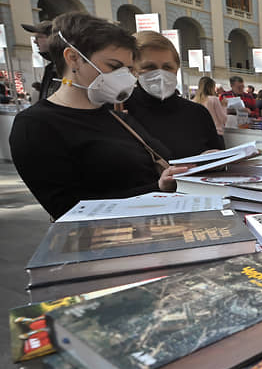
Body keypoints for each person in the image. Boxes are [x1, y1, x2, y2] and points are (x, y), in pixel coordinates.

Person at [9, 12, 187, 220]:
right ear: (73, 58)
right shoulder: (35, 125)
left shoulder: (117, 117)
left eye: (129, 69)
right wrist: (156, 188)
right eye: (114, 66)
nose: (124, 77)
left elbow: (158, 161)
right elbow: (66, 208)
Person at [124, 31, 223, 159]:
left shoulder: (198, 113)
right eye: (149, 67)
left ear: (177, 69)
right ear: (133, 70)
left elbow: (219, 160)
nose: (160, 74)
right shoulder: (120, 111)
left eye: (167, 67)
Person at [22, 20, 59, 100]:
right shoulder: (52, 67)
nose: (35, 41)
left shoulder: (67, 67)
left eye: (38, 37)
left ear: (52, 38)